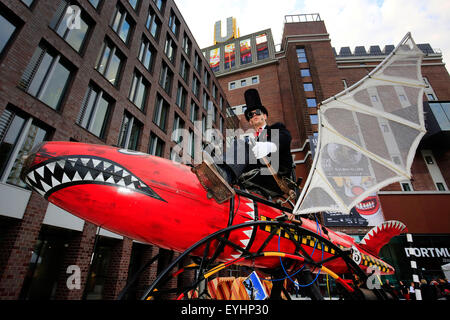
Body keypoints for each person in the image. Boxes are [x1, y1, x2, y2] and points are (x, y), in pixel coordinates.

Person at [194, 88, 294, 201]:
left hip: (278, 174)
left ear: (264, 116)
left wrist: (271, 145)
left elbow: (285, 137)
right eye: (251, 115)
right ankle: (220, 174)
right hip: (259, 177)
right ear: (250, 121)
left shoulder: (276, 128)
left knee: (241, 144)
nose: (254, 115)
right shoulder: (254, 142)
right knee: (239, 148)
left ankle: (224, 174)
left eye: (258, 112)